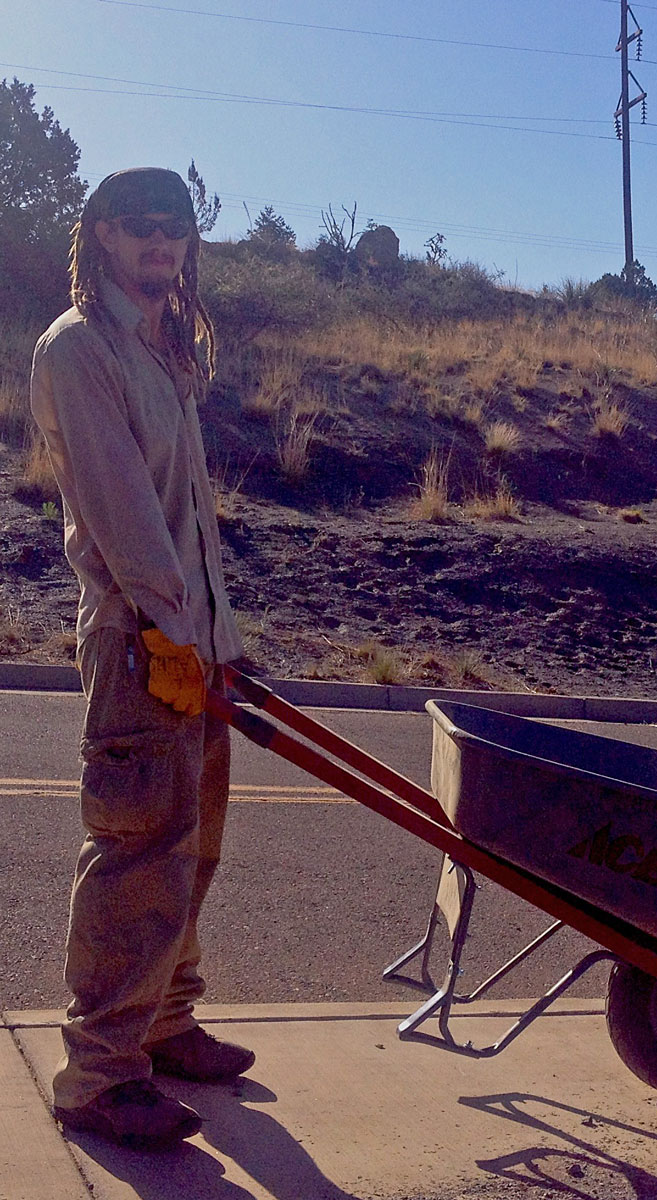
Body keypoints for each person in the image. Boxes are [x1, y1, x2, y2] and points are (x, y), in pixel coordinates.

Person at [30, 167, 252, 1151]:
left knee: (189, 851)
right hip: (139, 649)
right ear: (101, 237)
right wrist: (171, 638)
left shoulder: (162, 350)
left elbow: (191, 522)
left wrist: (219, 641)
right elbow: (124, 517)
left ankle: (164, 1023)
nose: (161, 241)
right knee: (137, 856)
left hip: (193, 642)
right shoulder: (80, 351)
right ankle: (98, 1075)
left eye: (176, 226)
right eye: (139, 226)